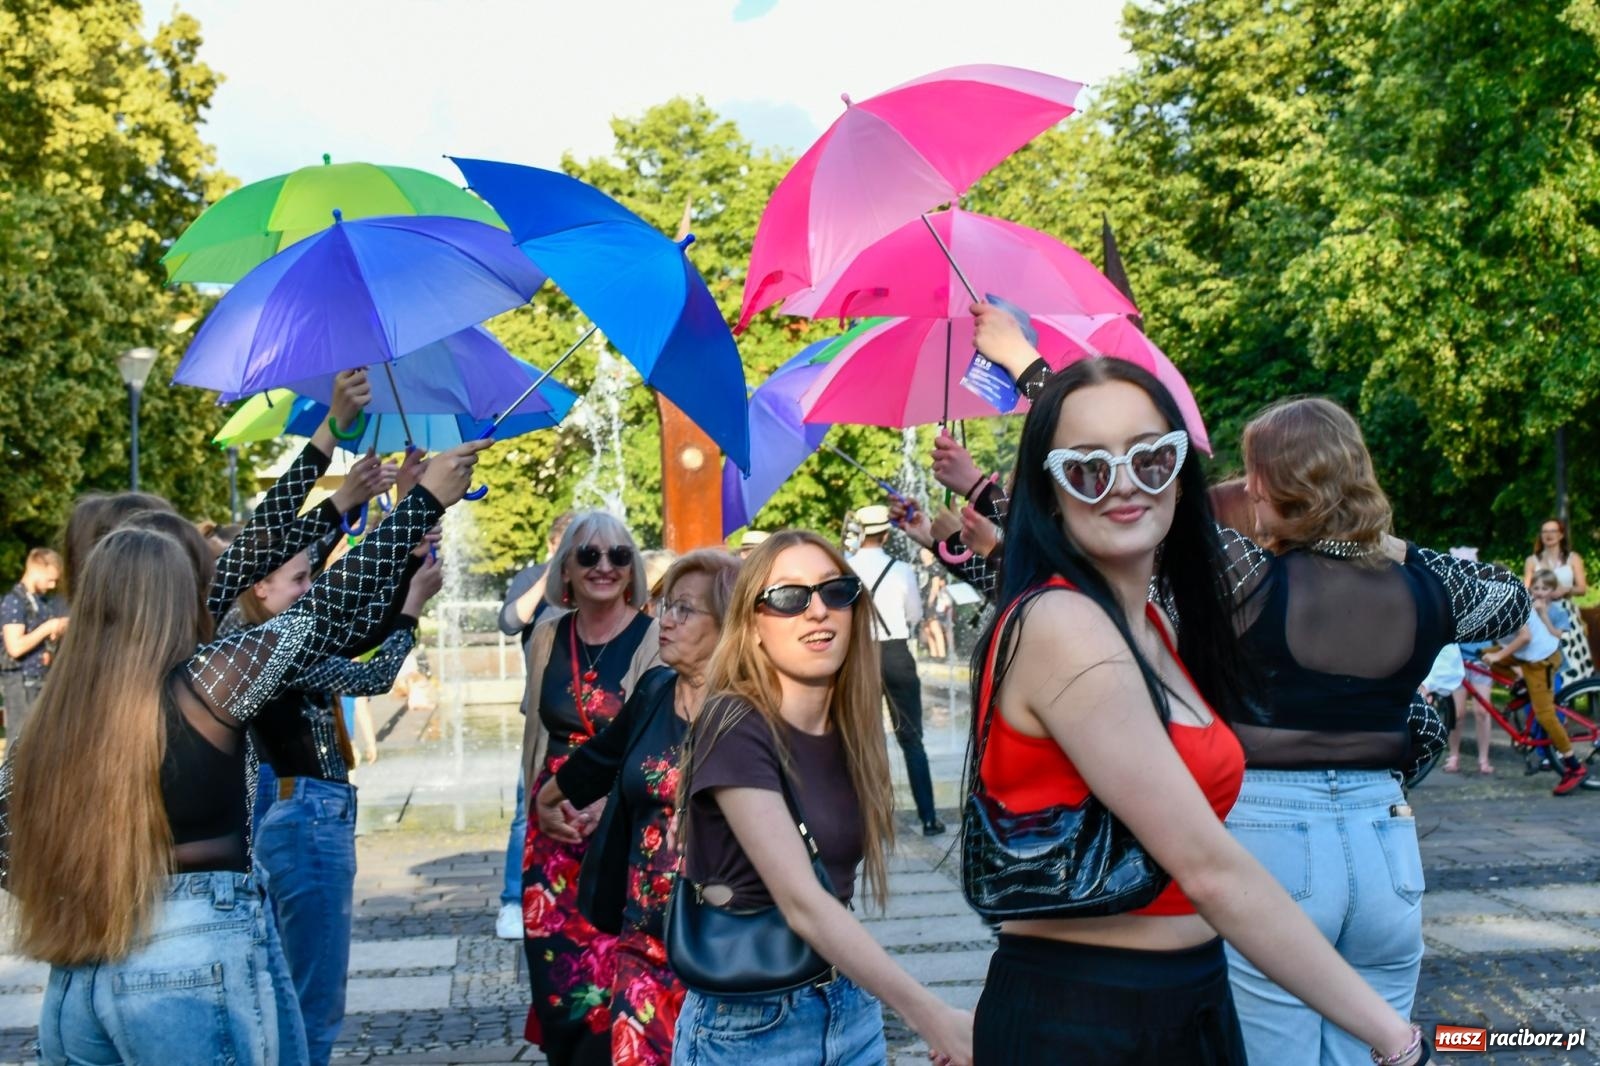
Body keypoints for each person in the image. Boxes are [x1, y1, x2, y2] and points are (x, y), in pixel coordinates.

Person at [966, 358, 1432, 1065]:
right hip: (1093, 1018)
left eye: (1152, 458)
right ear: (1049, 490)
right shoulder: (1063, 624)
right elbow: (1209, 868)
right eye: (1088, 467)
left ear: (1182, 475)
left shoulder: (1151, 623)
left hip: (1185, 999)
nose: (1124, 483)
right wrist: (1396, 1040)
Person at [0, 438, 485, 1065]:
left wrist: (87, 887)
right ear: (178, 597)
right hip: (183, 955)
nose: (218, 590)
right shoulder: (207, 679)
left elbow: (5, 833)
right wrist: (418, 505)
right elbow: (321, 614)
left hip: (78, 979)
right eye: (205, 581)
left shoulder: (65, 708)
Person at [1219, 396, 1529, 1063]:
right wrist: (1389, 543)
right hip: (1384, 841)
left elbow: (1154, 522)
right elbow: (1511, 598)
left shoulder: (1248, 579)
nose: (1246, 487)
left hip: (1270, 839)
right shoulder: (1421, 585)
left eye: (1254, 472)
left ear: (1277, 484)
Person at [675, 530, 973, 1065]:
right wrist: (933, 1018)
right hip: (751, 1027)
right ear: (752, 626)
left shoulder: (850, 728)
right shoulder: (734, 723)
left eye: (835, 592)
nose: (817, 611)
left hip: (849, 1007)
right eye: (789, 597)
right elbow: (803, 904)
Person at [233, 532, 442, 1066]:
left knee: (286, 987)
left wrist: (404, 559)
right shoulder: (275, 648)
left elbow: (356, 631)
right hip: (307, 815)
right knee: (313, 997)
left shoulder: (258, 636)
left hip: (295, 809)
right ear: (261, 586)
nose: (312, 590)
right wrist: (413, 607)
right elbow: (371, 673)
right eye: (300, 580)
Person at [533, 549, 740, 1065]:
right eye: (666, 605)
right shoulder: (656, 689)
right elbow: (603, 755)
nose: (664, 620)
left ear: (729, 622)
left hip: (722, 944)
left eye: (684, 610)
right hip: (643, 936)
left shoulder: (751, 710)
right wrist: (548, 797)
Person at [518, 511, 661, 1066]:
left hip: (622, 832)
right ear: (566, 570)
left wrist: (609, 802)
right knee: (560, 982)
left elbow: (658, 740)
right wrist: (540, 803)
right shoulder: (548, 635)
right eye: (589, 556)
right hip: (552, 837)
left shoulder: (654, 637)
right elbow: (535, 735)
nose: (605, 566)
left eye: (619, 555)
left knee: (624, 980)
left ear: (632, 570)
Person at [495, 510, 575, 940]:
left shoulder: (592, 580)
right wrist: (548, 579)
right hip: (543, 717)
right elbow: (510, 622)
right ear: (551, 547)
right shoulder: (532, 579)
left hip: (588, 715)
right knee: (527, 809)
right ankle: (512, 900)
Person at [848, 504, 944, 835]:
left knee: (866, 739)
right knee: (912, 739)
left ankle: (873, 819)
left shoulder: (845, 567)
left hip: (860, 656)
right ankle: (929, 818)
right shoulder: (901, 568)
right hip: (896, 652)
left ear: (860, 532)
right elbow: (915, 615)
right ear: (886, 533)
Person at [1484, 570, 1597, 793]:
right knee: (1483, 655)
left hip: (1541, 659)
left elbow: (1525, 636)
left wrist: (1498, 656)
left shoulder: (1511, 602)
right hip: (1525, 655)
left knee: (1545, 714)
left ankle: (1573, 766)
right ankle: (1524, 685)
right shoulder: (1489, 603)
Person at [0, 549, 65, 742]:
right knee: (18, 745)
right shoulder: (14, 602)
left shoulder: (41, 602)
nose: (53, 585)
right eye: (50, 579)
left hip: (40, 681)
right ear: (38, 568)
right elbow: (15, 647)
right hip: (21, 682)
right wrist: (48, 628)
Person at [1525, 517, 1595, 687]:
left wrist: (1565, 590)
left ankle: (1571, 693)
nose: (1549, 535)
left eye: (1553, 531)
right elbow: (1527, 589)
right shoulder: (1532, 561)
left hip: (1565, 611)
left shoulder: (1572, 558)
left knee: (1569, 655)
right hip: (1541, 610)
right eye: (1545, 532)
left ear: (1561, 535)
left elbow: (1582, 588)